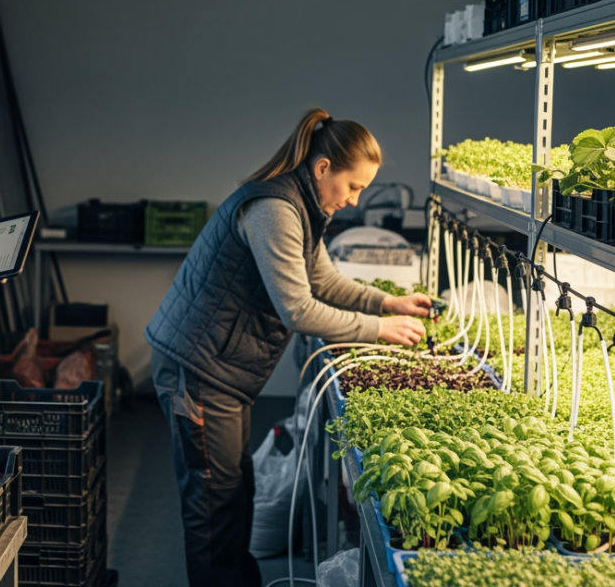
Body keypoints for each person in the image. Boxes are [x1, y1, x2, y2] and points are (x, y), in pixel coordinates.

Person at [145, 108, 432, 587]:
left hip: (221, 372)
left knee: (235, 494)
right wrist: (377, 329)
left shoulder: (303, 206)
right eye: (353, 186)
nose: (355, 200)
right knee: (213, 510)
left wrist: (387, 302)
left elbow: (324, 281)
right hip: (196, 370)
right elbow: (298, 309)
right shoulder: (275, 210)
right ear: (323, 168)